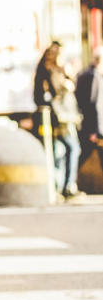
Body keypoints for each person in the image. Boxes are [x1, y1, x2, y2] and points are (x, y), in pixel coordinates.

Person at [35, 41, 82, 198]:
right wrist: (66, 84)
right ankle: (66, 186)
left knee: (59, 151)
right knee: (72, 149)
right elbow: (55, 94)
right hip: (61, 118)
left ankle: (59, 186)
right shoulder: (52, 72)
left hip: (60, 117)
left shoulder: (51, 70)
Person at [76, 47, 103, 183]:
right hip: (95, 126)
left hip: (88, 124)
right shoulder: (95, 76)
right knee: (83, 153)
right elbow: (95, 104)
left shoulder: (83, 74)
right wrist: (96, 130)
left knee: (81, 153)